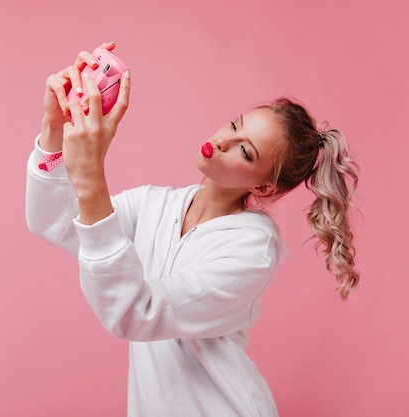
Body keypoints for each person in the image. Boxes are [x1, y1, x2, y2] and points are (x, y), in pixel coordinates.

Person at [26, 42, 360, 417]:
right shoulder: (155, 204)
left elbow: (135, 312)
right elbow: (55, 223)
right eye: (234, 125)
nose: (221, 141)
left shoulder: (252, 249)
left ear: (263, 187)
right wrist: (54, 129)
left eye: (244, 151)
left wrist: (91, 177)